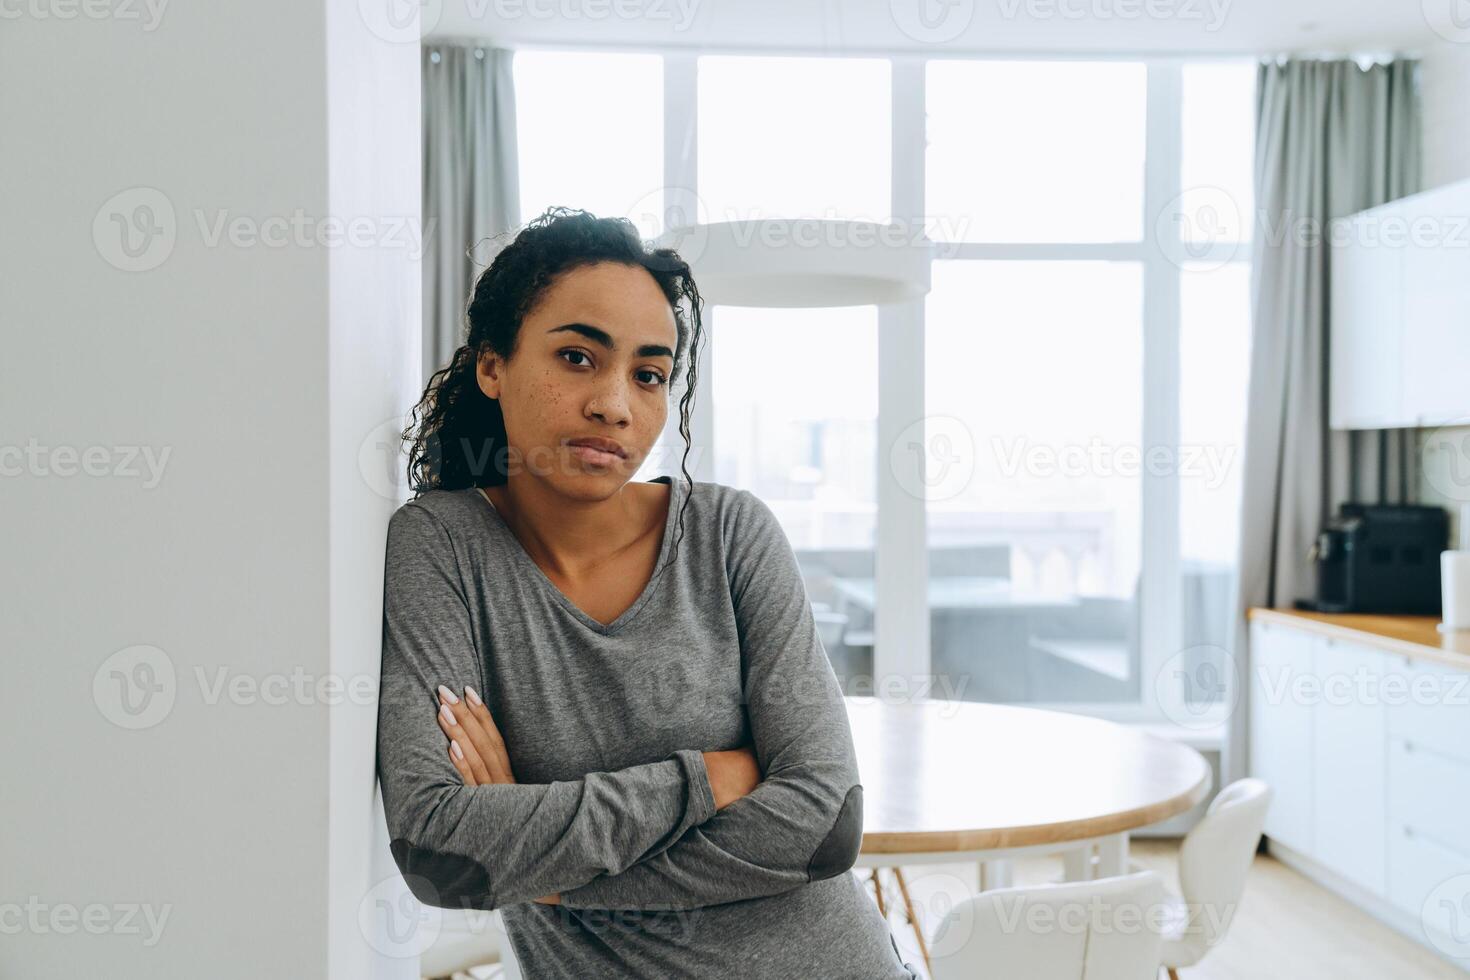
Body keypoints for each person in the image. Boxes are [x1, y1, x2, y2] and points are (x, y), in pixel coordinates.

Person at [376, 207, 918, 978]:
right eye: (575, 357)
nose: (615, 405)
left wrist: (549, 875)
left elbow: (824, 824)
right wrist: (706, 779)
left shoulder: (730, 534)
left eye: (649, 374)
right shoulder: (441, 547)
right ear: (492, 364)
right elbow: (442, 849)